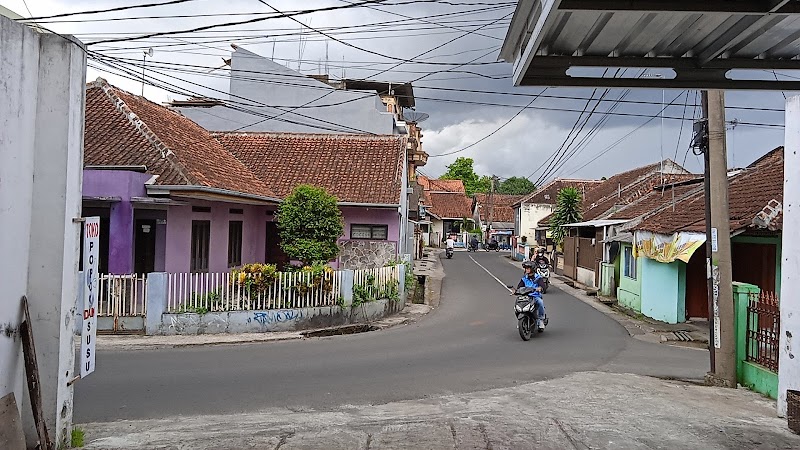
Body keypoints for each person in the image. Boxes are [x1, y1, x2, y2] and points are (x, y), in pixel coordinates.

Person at [512, 261, 546, 331]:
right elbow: (519, 287)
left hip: (535, 296)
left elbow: (543, 286)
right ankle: (521, 320)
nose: (526, 269)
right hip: (526, 296)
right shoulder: (524, 278)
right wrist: (515, 291)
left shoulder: (538, 278)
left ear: (532, 269)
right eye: (526, 268)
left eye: (528, 268)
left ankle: (540, 320)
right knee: (517, 305)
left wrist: (540, 288)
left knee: (540, 302)